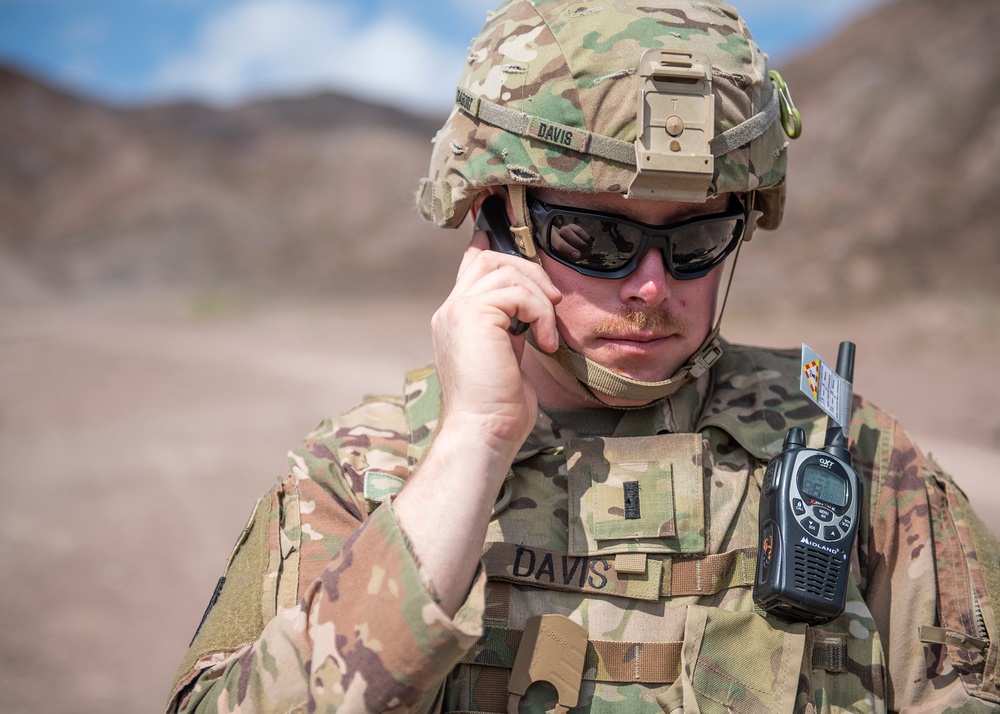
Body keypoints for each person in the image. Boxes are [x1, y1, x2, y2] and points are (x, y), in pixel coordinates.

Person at [166, 1, 1000, 712]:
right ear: (498, 223)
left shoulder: (849, 454)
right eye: (597, 236)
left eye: (699, 237)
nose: (650, 286)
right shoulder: (361, 471)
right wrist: (476, 442)